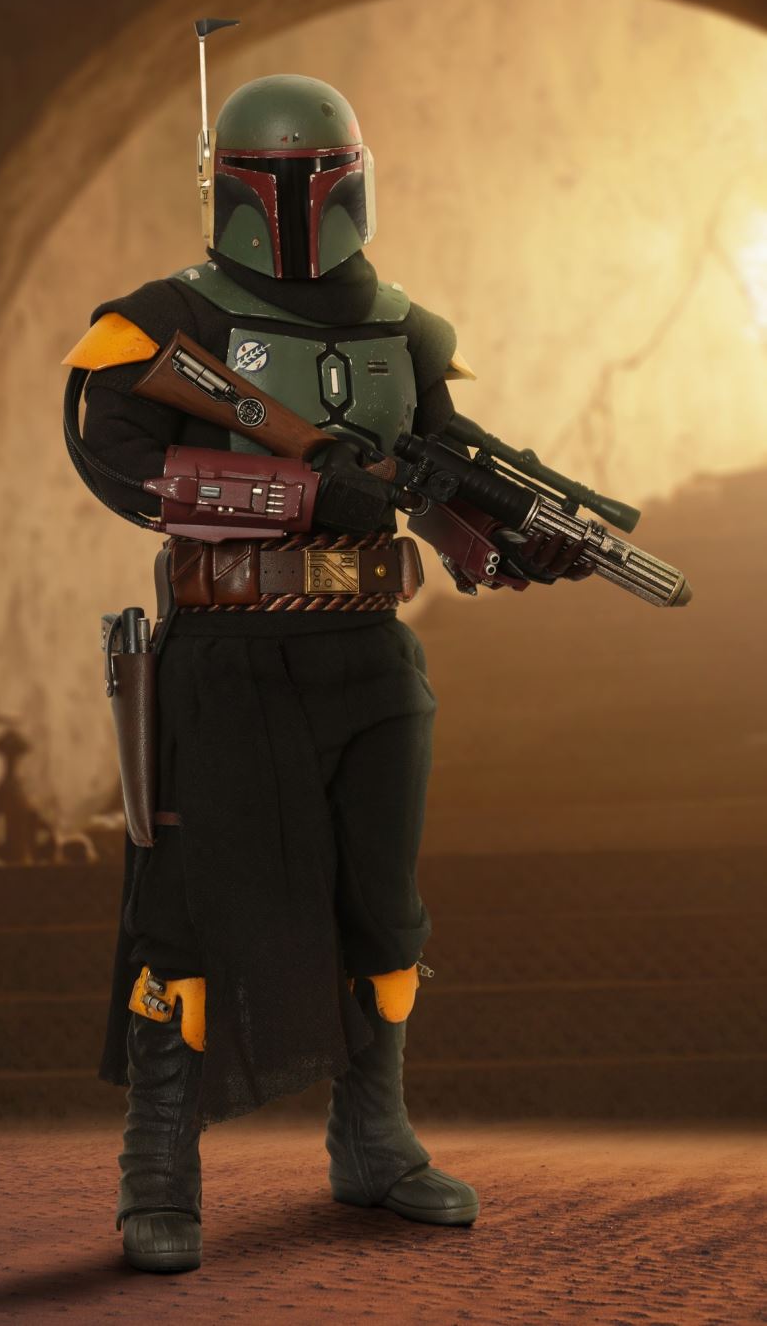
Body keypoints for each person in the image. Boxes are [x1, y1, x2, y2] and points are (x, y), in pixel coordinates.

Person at [63, 71, 583, 1274]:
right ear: (236, 186)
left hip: (370, 650)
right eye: (283, 178)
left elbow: (438, 476)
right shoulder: (162, 323)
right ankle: (159, 1164)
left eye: (320, 175)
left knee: (383, 908)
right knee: (185, 912)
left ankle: (374, 1139)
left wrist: (511, 540)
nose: (305, 198)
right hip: (229, 656)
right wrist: (300, 490)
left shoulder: (408, 330)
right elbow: (118, 460)